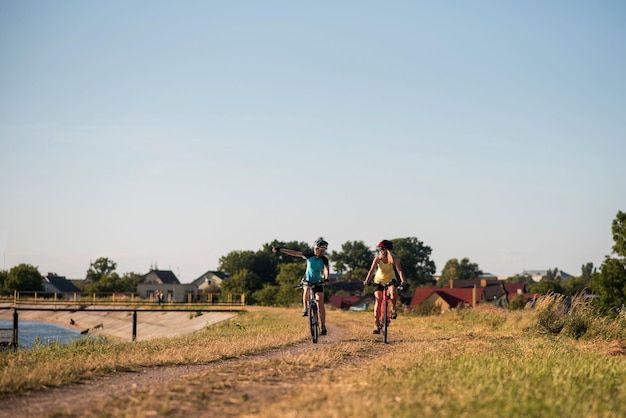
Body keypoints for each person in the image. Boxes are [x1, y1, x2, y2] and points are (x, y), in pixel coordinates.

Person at [272, 237, 330, 335]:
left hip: (318, 282)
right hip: (307, 280)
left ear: (323, 250)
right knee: (306, 289)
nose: (317, 251)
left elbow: (326, 270)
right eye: (316, 248)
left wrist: (327, 279)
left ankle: (323, 326)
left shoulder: (324, 260)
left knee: (320, 303)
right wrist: (280, 250)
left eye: (320, 249)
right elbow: (294, 253)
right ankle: (305, 309)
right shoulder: (309, 255)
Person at [363, 239, 408, 334]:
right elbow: (371, 270)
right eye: (379, 249)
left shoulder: (394, 259)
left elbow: (399, 270)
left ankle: (393, 308)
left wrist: (403, 280)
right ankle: (376, 324)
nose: (380, 251)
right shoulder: (377, 259)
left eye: (382, 249)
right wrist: (367, 280)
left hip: (391, 279)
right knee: (378, 299)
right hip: (378, 280)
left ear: (387, 250)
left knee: (393, 294)